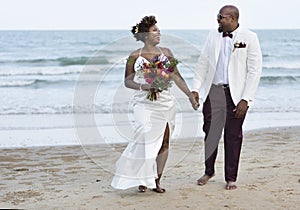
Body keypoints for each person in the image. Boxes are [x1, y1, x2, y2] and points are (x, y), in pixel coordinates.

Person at [111, 15, 198, 193]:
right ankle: (143, 178)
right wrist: (145, 86)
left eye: (158, 29)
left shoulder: (166, 52)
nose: (159, 32)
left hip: (166, 102)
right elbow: (128, 81)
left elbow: (176, 76)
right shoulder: (134, 56)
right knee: (145, 136)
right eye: (154, 30)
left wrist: (190, 95)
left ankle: (156, 180)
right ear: (145, 35)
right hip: (144, 103)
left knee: (165, 141)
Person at [192, 5, 262, 190]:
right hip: (214, 91)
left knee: (233, 136)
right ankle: (209, 171)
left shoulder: (249, 37)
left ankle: (231, 177)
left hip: (236, 94)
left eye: (221, 17)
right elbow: (202, 64)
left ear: (232, 18)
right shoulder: (212, 36)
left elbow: (254, 71)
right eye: (218, 16)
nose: (218, 20)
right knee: (210, 132)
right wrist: (196, 89)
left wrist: (246, 99)